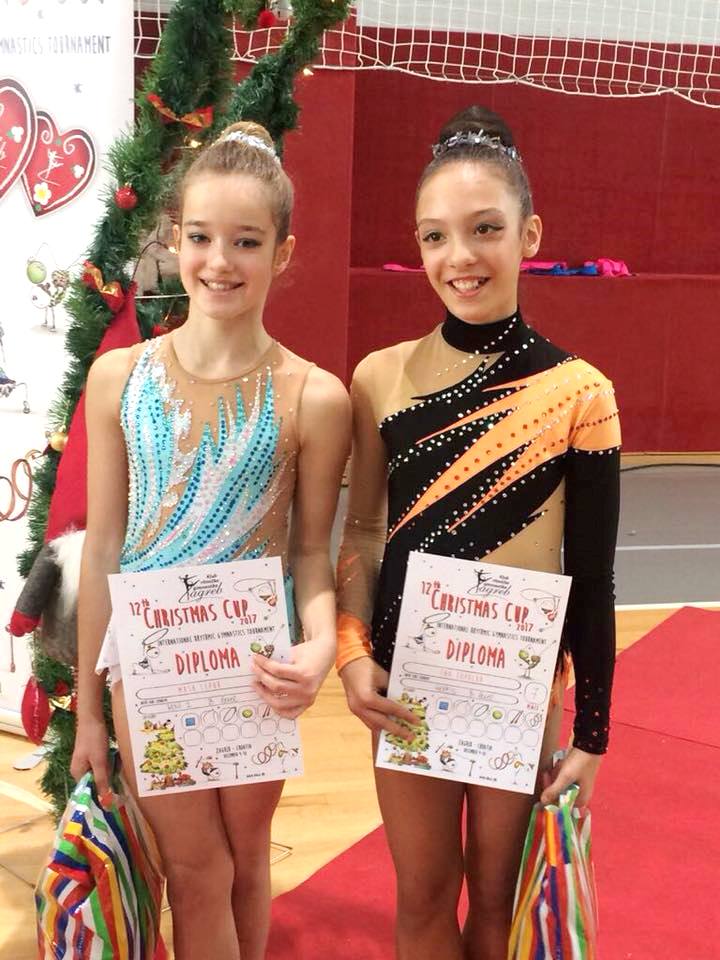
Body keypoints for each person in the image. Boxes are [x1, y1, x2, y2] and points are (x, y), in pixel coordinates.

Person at [336, 106, 620, 960]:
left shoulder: (580, 392)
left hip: (518, 687)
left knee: (498, 896)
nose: (459, 256)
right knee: (423, 894)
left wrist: (593, 733)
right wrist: (351, 653)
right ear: (418, 246)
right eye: (435, 236)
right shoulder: (380, 377)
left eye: (485, 229)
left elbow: (592, 577)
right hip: (408, 683)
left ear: (530, 234)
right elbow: (362, 530)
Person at [70, 121, 351, 960]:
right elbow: (103, 546)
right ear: (174, 239)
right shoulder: (120, 377)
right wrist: (88, 710)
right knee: (197, 869)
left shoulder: (315, 396)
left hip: (255, 668)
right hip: (150, 668)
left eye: (246, 241)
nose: (219, 261)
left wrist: (319, 646)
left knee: (246, 863)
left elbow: (310, 553)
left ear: (283, 252)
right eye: (200, 237)